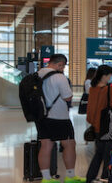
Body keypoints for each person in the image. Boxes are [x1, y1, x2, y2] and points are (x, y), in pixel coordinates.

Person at [35, 54, 77, 183]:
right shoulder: (59, 77)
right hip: (59, 116)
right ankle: (70, 176)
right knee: (69, 144)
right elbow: (67, 97)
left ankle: (46, 179)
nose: (63, 68)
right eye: (63, 66)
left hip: (41, 116)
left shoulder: (37, 75)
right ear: (60, 64)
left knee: (46, 146)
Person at [85, 64, 112, 183]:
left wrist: (93, 122)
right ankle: (105, 178)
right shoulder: (110, 89)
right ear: (105, 75)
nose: (110, 77)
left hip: (97, 126)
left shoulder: (92, 89)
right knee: (109, 155)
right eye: (110, 75)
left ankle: (90, 178)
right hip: (109, 126)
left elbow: (90, 109)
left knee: (98, 154)